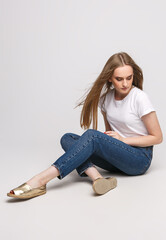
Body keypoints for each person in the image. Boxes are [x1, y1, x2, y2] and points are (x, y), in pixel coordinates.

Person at [7, 52, 163, 199]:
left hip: (139, 160)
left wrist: (123, 140)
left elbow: (157, 137)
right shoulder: (105, 100)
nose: (125, 83)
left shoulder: (140, 98)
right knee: (67, 138)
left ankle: (40, 180)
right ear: (110, 78)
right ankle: (98, 179)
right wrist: (109, 141)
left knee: (91, 135)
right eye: (119, 79)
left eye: (129, 78)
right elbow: (110, 133)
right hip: (117, 158)